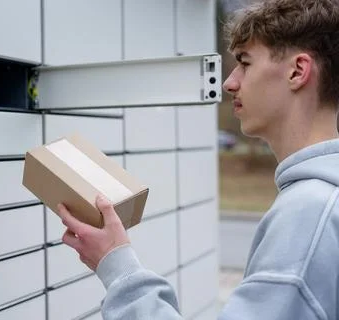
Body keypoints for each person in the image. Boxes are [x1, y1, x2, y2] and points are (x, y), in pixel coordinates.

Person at [56, 0, 339, 319]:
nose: (230, 82)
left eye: (245, 63)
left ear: (298, 71)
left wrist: (117, 266)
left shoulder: (308, 216)